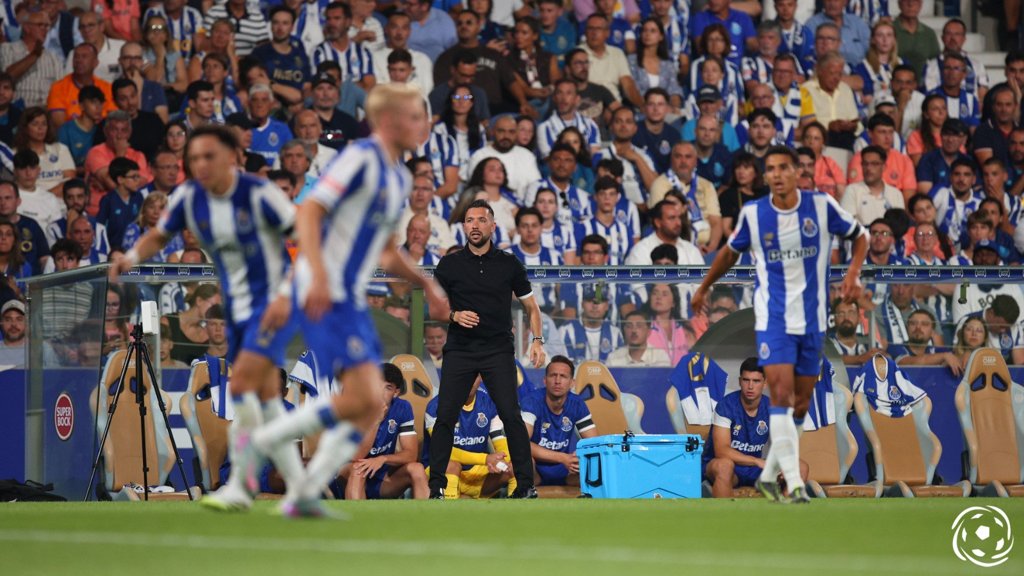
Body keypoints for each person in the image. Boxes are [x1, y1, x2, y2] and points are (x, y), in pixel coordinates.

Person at [246, 84, 449, 515]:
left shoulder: (399, 177)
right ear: (390, 121)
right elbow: (310, 211)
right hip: (320, 289)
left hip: (347, 296)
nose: (423, 125)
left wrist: (427, 285)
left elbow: (387, 251)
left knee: (365, 398)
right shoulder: (359, 158)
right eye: (414, 116)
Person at [107, 124, 306, 514]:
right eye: (194, 157)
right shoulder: (189, 196)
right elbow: (159, 236)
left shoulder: (260, 193)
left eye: (208, 156)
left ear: (232, 157)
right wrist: (130, 257)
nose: (200, 164)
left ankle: (251, 483)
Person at [693, 146, 866, 503]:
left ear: (796, 171)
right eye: (770, 168)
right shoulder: (754, 214)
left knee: (799, 404)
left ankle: (771, 473)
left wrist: (853, 273)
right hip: (773, 319)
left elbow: (860, 236)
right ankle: (795, 484)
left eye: (783, 167)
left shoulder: (821, 206)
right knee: (782, 395)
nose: (776, 174)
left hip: (812, 321)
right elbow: (729, 253)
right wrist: (705, 286)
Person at [425, 198, 544, 499]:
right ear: (464, 227)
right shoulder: (449, 264)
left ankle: (526, 486)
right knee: (445, 416)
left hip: (498, 351)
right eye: (469, 220)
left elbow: (531, 307)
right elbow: (434, 309)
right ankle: (436, 487)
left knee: (511, 415)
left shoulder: (509, 263)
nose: (475, 225)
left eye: (481, 220)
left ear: (493, 225)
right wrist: (454, 315)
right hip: (460, 351)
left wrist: (537, 341)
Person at [339, 362, 427, 500]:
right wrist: (375, 421)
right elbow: (357, 455)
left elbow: (411, 454)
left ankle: (426, 513)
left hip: (380, 475)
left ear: (396, 392)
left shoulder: (402, 408)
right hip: (348, 472)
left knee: (417, 469)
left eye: (387, 387)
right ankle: (357, 514)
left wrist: (382, 459)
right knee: (358, 469)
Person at [520, 356, 598, 488]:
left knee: (594, 463)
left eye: (563, 376)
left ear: (572, 383)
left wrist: (578, 456)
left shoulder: (577, 404)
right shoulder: (532, 401)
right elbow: (521, 443)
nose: (557, 381)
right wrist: (563, 457)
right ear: (545, 380)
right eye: (553, 375)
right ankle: (530, 487)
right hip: (536, 468)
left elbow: (594, 442)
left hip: (565, 469)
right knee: (524, 460)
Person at [648, 142, 722, 253]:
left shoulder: (707, 185)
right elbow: (660, 225)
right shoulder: (659, 185)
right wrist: (688, 250)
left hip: (705, 248)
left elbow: (716, 222)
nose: (683, 161)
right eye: (678, 156)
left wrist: (710, 249)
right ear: (671, 160)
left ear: (695, 161)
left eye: (688, 157)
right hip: (674, 248)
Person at [0, 9, 63, 108]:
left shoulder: (54, 58)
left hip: (45, 111)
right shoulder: (8, 49)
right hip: (18, 110)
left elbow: (60, 89)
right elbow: (8, 77)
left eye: (47, 26)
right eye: (40, 25)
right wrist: (34, 55)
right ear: (26, 28)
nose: (45, 29)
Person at [842, 145, 906, 225]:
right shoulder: (852, 190)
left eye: (874, 164)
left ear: (884, 167)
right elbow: (847, 223)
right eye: (865, 164)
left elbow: (900, 225)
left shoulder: (896, 194)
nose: (868, 168)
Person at [805, 0, 870, 67]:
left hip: (860, 70)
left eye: (836, 0)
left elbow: (870, 49)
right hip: (827, 69)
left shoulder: (858, 23)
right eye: (828, 1)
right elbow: (809, 54)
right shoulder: (812, 24)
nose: (832, 4)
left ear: (845, 2)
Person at [928, 52, 981, 129]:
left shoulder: (971, 100)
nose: (951, 72)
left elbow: (974, 128)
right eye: (947, 68)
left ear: (964, 74)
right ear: (942, 71)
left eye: (956, 68)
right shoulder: (931, 97)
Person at [607, 310, 671, 367]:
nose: (634, 331)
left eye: (639, 326)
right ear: (624, 330)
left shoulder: (660, 357)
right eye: (629, 326)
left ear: (649, 331)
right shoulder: (613, 358)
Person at [893, 0, 940, 77]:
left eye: (915, 0)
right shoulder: (889, 31)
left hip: (924, 82)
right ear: (899, 3)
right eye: (906, 0)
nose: (910, 4)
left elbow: (935, 63)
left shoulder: (929, 33)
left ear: (920, 4)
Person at [830, 299, 883, 365]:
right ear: (834, 319)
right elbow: (829, 359)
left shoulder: (871, 342)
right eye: (841, 313)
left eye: (851, 313)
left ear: (859, 318)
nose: (846, 318)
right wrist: (860, 358)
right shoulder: (826, 342)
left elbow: (886, 359)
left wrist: (883, 356)